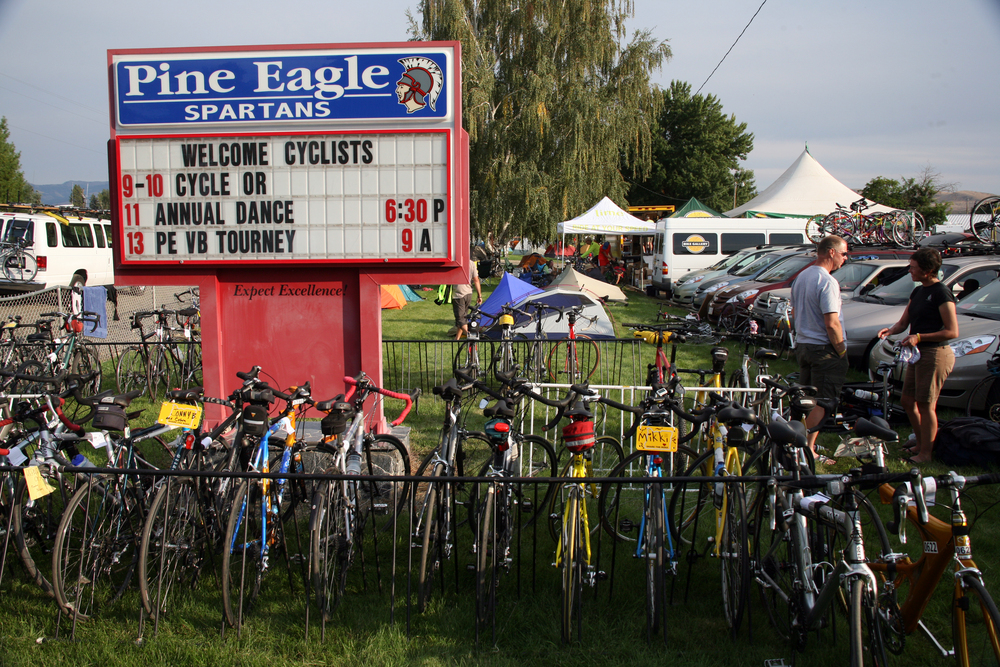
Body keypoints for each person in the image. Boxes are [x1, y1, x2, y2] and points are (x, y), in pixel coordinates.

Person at [877, 248, 959, 464]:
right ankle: (921, 443)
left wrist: (919, 337)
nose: (910, 271)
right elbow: (904, 322)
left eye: (913, 267)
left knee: (925, 405)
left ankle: (926, 453)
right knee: (907, 400)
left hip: (935, 354)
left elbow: (952, 331)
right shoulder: (918, 291)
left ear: (928, 270)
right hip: (917, 354)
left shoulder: (941, 292)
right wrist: (891, 330)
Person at [789, 235, 849, 464]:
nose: (845, 258)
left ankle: (798, 441)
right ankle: (808, 451)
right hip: (823, 349)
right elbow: (832, 322)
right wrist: (841, 350)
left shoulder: (802, 277)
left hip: (804, 345)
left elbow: (794, 313)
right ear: (831, 252)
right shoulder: (827, 281)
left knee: (805, 399)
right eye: (844, 254)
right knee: (823, 401)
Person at [453, 253, 483, 340]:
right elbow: (476, 280)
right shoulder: (471, 263)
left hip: (459, 294)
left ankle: (471, 335)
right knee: (464, 317)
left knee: (460, 319)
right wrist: (479, 295)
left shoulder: (455, 262)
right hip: (468, 293)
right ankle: (457, 338)